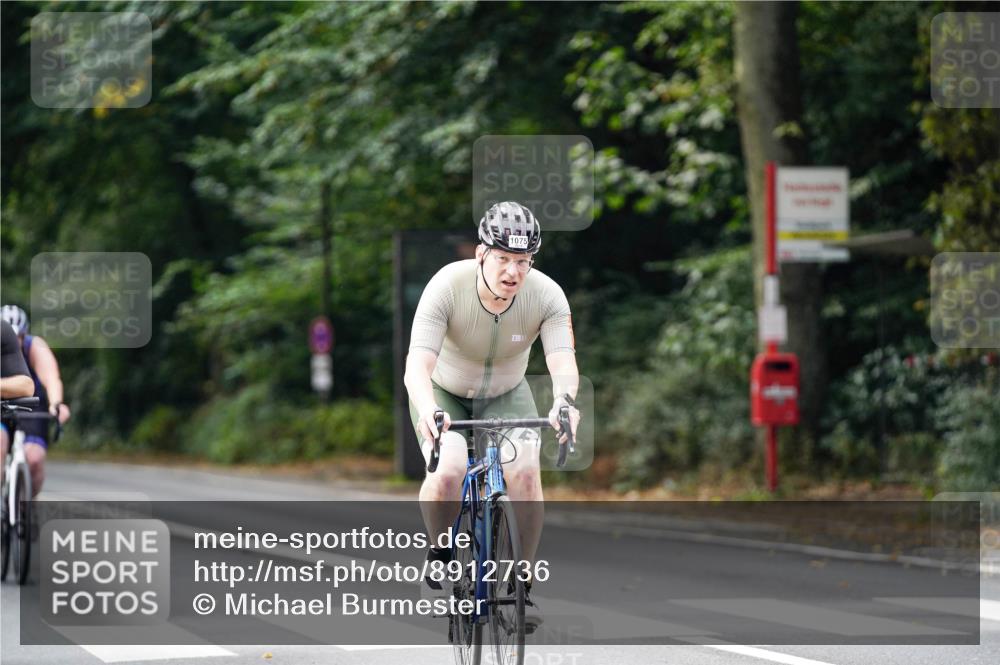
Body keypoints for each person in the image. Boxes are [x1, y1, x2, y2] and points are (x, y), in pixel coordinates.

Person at [403, 201, 581, 633]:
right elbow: (417, 367)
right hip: (445, 392)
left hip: (507, 393)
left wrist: (565, 402)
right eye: (503, 259)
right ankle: (441, 553)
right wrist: (429, 410)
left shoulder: (547, 296)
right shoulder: (446, 286)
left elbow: (562, 361)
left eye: (522, 261)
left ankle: (520, 584)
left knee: (524, 472)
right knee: (449, 469)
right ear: (481, 254)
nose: (512, 272)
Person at [0, 305, 71, 496]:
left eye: (19, 337)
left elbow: (51, 378)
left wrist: (56, 404)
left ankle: (25, 511)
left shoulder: (35, 346)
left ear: (24, 335)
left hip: (30, 406)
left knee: (34, 459)